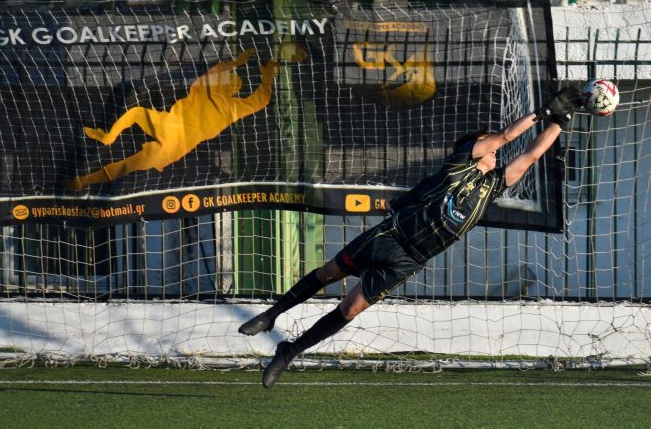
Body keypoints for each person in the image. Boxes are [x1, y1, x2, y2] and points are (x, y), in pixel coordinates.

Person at [238, 87, 582, 388]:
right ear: (474, 147)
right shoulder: (460, 162)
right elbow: (506, 136)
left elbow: (532, 154)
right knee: (329, 273)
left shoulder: (493, 186)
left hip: (410, 260)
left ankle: (289, 351)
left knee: (351, 309)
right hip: (391, 235)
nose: (495, 151)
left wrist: (561, 120)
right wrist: (542, 112)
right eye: (487, 145)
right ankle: (272, 314)